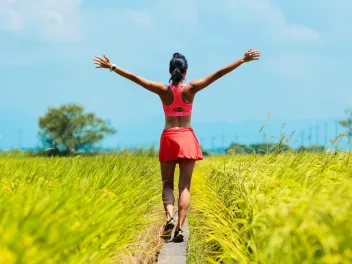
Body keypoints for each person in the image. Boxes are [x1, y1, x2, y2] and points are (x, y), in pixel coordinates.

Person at [93, 49, 260, 242]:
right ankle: (180, 227)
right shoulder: (192, 88)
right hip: (187, 138)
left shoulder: (163, 91)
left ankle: (169, 216)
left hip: (169, 139)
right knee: (185, 187)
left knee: (167, 184)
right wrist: (242, 60)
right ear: (185, 71)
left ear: (170, 71)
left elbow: (136, 78)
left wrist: (112, 66)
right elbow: (219, 74)